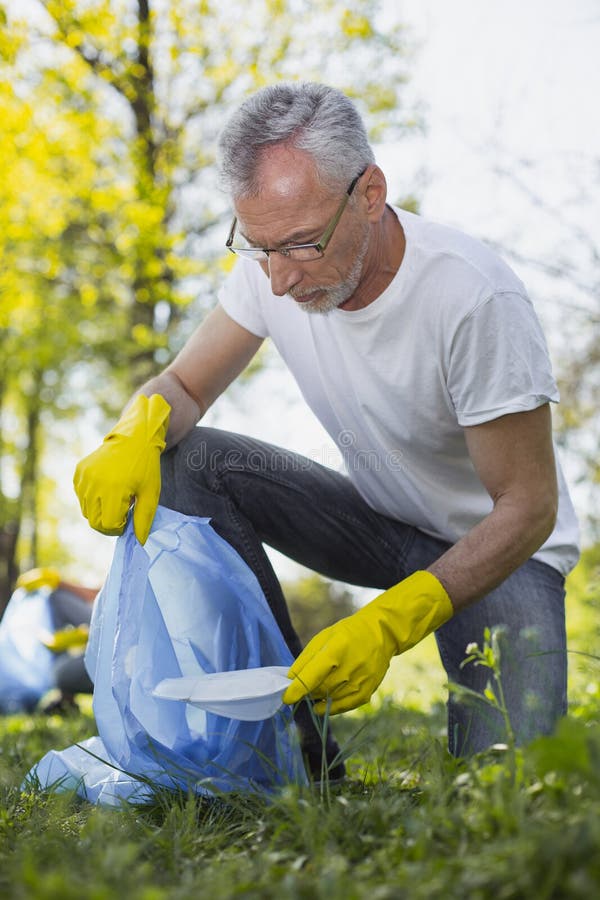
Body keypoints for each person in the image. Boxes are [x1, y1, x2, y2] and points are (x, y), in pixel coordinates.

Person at [73, 82, 579, 767]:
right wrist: (132, 429)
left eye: (301, 245)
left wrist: (391, 622)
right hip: (380, 527)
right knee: (185, 459)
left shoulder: (470, 297)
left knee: (509, 782)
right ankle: (297, 757)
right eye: (258, 248)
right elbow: (185, 385)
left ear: (369, 194)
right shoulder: (271, 264)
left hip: (496, 553)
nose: (278, 279)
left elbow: (529, 508)